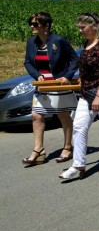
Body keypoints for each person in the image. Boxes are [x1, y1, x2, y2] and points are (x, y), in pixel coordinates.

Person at [59, 13, 99, 179]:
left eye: (83, 27)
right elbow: (88, 67)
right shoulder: (88, 42)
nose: (80, 31)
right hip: (86, 92)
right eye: (79, 27)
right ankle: (78, 165)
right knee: (80, 126)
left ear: (94, 26)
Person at [22, 12, 78, 166]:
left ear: (46, 26)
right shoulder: (31, 42)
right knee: (36, 115)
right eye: (31, 24)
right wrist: (36, 75)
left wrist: (67, 76)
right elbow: (27, 62)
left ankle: (68, 147)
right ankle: (38, 150)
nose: (32, 27)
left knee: (63, 116)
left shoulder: (59, 40)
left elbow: (74, 59)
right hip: (42, 86)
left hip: (59, 84)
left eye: (35, 24)